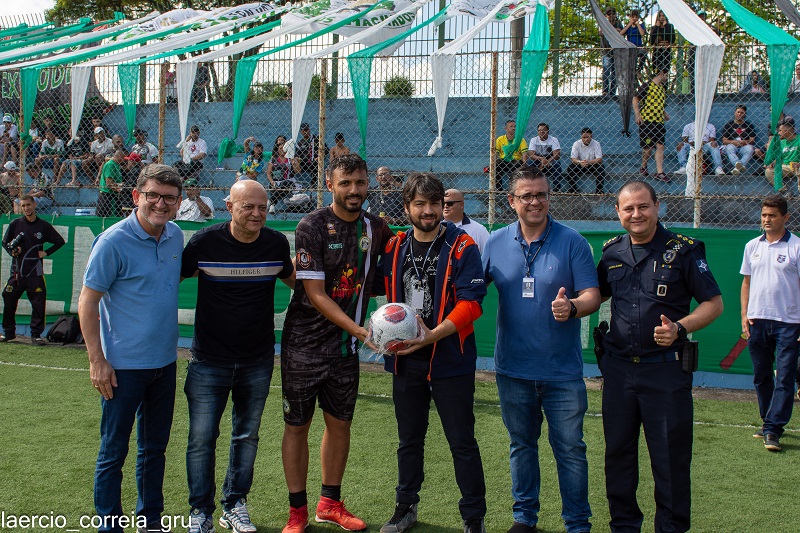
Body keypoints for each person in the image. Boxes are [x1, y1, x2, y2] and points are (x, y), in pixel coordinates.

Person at [597, 180, 723, 533]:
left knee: (670, 462)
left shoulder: (683, 250)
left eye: (643, 206)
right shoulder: (610, 253)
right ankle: (624, 527)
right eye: (628, 208)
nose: (636, 214)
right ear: (618, 212)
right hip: (619, 373)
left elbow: (714, 304)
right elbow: (597, 296)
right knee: (618, 458)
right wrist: (572, 305)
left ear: (657, 206)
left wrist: (679, 328)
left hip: (665, 373)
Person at [280, 154, 393, 533]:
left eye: (360, 182)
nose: (354, 190)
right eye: (345, 183)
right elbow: (314, 293)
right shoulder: (311, 225)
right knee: (297, 425)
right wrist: (363, 332)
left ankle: (329, 503)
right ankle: (297, 511)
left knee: (340, 424)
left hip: (344, 350)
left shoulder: (377, 228)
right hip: (304, 345)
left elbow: (396, 271)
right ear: (330, 184)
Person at [482, 169, 599, 533]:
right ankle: (524, 519)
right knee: (521, 446)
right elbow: (467, 290)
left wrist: (574, 308)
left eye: (542, 195)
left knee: (570, 451)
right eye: (527, 196)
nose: (535, 202)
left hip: (562, 372)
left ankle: (578, 524)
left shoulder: (573, 242)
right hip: (513, 369)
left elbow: (592, 295)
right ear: (512, 201)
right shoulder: (495, 242)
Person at [181, 179, 295, 533]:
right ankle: (201, 511)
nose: (257, 214)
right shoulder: (204, 242)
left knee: (246, 436)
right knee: (201, 439)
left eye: (262, 207)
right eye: (248, 206)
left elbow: (301, 285)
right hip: (208, 361)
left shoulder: (276, 243)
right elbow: (166, 280)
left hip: (257, 361)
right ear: (229, 206)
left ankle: (235, 504)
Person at [379, 173, 488, 533]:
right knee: (409, 440)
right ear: (408, 206)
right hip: (405, 360)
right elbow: (381, 293)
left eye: (434, 204)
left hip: (449, 361)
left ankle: (473, 517)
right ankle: (405, 506)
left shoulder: (463, 245)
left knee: (462, 442)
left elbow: (472, 305)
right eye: (420, 204)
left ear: (444, 205)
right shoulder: (394, 247)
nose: (428, 211)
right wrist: (374, 327)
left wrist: (432, 336)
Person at [77, 164, 184, 533]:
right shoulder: (111, 241)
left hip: (165, 364)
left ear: (178, 202)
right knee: (113, 451)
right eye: (152, 195)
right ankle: (109, 524)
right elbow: (87, 302)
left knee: (154, 450)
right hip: (122, 367)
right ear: (137, 196)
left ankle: (150, 520)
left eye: (168, 198)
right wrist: (97, 361)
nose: (160, 203)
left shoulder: (175, 236)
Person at [740, 194, 800, 452]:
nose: (766, 219)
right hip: (757, 321)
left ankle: (774, 429)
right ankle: (768, 423)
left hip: (789, 323)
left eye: (772, 215)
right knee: (761, 376)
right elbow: (746, 282)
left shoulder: (796, 246)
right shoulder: (752, 246)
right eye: (764, 215)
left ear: (785, 217)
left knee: (785, 377)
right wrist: (744, 314)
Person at [1, 195, 65, 344]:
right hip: (17, 272)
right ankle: (9, 333)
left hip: (35, 273)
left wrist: (46, 252)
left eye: (28, 205)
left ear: (34, 205)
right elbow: (5, 243)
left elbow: (59, 241)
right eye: (23, 206)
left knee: (38, 303)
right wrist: (12, 252)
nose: (26, 208)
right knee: (8, 297)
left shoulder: (43, 226)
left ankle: (36, 334)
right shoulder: (15, 224)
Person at [633, 69, 670, 182]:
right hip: (647, 120)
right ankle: (644, 166)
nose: (667, 78)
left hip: (659, 121)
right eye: (666, 75)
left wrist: (664, 113)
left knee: (660, 145)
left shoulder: (662, 89)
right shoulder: (647, 85)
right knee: (648, 147)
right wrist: (637, 114)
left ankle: (660, 172)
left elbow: (659, 103)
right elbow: (635, 98)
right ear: (661, 74)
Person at [443, 188, 490, 253]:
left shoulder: (479, 231)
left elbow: (490, 255)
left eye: (450, 203)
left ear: (461, 205)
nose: (445, 206)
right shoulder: (436, 228)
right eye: (443, 203)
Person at [565, 127, 606, 194]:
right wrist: (580, 162)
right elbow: (573, 158)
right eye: (584, 137)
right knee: (571, 167)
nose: (586, 139)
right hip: (580, 164)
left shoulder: (596, 144)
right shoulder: (576, 143)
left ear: (591, 136)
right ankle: (572, 190)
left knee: (601, 167)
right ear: (581, 137)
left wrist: (589, 162)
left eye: (588, 137)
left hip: (592, 164)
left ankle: (599, 190)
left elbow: (599, 159)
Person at [765, 116, 800, 193]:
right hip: (785, 166)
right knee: (768, 172)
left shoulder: (799, 140)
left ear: (787, 131)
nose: (778, 133)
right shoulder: (781, 143)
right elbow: (778, 157)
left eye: (780, 130)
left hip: (797, 166)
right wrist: (773, 162)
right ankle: (784, 191)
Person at [266, 135, 300, 214]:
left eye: (284, 149)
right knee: (273, 185)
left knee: (286, 183)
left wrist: (294, 164)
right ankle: (272, 205)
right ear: (277, 150)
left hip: (288, 181)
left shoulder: (290, 158)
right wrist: (272, 182)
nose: (282, 150)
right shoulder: (273, 159)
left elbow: (298, 171)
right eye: (280, 149)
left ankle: (271, 202)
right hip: (276, 181)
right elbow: (268, 173)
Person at [720, 105, 757, 176]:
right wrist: (733, 142)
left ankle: (737, 168)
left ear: (745, 114)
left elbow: (752, 140)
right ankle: (738, 164)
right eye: (738, 112)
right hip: (732, 145)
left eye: (742, 112)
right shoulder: (729, 125)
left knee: (750, 148)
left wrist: (745, 142)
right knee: (729, 147)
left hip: (744, 146)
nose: (739, 114)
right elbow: (724, 140)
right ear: (735, 113)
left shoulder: (749, 125)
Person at [495, 120, 528, 193]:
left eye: (515, 126)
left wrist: (524, 163)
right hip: (504, 161)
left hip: (515, 161)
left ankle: (513, 189)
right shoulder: (500, 139)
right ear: (506, 128)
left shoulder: (520, 139)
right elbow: (496, 154)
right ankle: (499, 190)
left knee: (517, 164)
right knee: (497, 164)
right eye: (511, 126)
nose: (514, 128)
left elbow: (524, 153)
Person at [526, 122, 562, 188]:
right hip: (538, 161)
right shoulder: (534, 140)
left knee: (557, 163)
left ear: (548, 131)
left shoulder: (554, 139)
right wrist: (541, 159)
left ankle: (556, 189)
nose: (541, 132)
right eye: (539, 130)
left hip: (550, 162)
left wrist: (547, 161)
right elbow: (531, 155)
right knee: (530, 162)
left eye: (543, 130)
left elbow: (557, 155)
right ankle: (530, 186)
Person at [294, 123, 327, 188]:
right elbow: (297, 155)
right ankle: (293, 183)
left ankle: (313, 183)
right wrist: (297, 160)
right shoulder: (300, 143)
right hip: (304, 162)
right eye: (303, 130)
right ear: (301, 132)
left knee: (315, 164)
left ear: (309, 130)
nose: (304, 132)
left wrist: (319, 157)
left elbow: (326, 150)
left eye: (306, 130)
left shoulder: (317, 139)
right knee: (292, 166)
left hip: (314, 161)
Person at [599, 7, 623, 96]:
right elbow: (600, 32)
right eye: (609, 14)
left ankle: (612, 91)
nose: (611, 15)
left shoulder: (618, 23)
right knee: (606, 70)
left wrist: (608, 31)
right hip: (606, 50)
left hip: (616, 51)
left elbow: (621, 32)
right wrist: (612, 31)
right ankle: (605, 90)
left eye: (613, 14)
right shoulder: (604, 23)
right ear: (606, 16)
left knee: (615, 72)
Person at [97, 150, 126, 218]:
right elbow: (109, 183)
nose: (124, 160)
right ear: (118, 157)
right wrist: (119, 189)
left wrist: (119, 184)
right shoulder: (110, 165)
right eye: (123, 158)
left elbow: (114, 181)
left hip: (113, 194)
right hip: (107, 195)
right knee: (106, 216)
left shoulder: (116, 165)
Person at [619, 9, 646, 73]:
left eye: (636, 17)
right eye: (633, 17)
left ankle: (639, 69)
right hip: (630, 47)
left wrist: (638, 25)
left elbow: (642, 33)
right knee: (632, 64)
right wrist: (629, 24)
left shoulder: (641, 25)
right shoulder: (628, 27)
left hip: (638, 46)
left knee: (644, 53)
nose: (634, 18)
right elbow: (621, 33)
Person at [649, 11, 675, 77]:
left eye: (663, 16)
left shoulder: (670, 26)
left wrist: (666, 26)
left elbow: (672, 39)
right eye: (660, 16)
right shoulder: (654, 28)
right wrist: (656, 28)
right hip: (657, 53)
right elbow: (651, 41)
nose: (662, 17)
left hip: (666, 52)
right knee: (656, 73)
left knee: (665, 74)